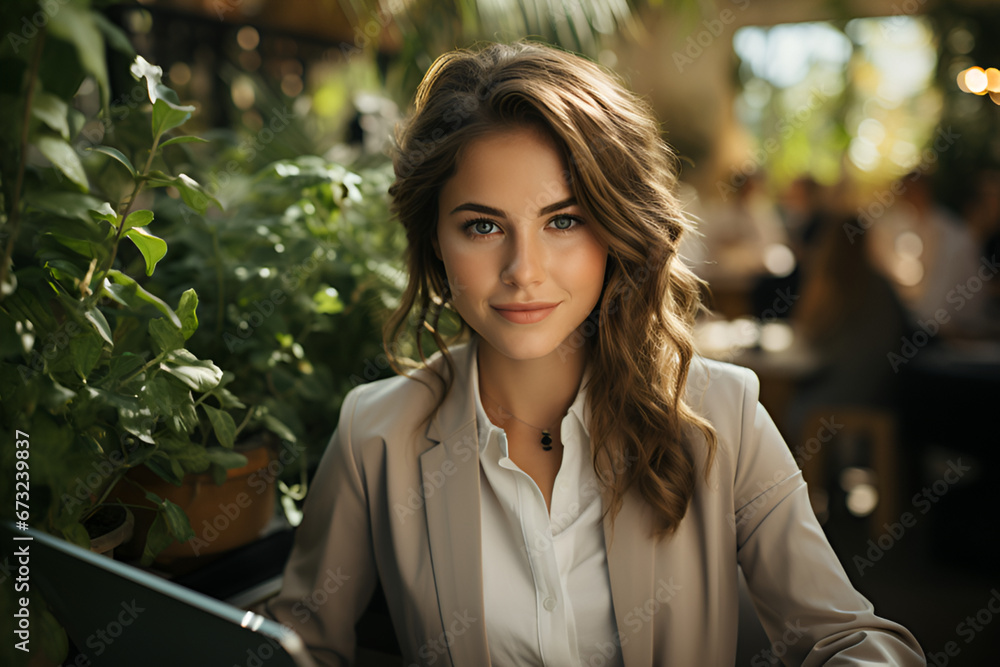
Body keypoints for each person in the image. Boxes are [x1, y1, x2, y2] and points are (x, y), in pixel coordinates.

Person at [264, 41, 924, 666]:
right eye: (483, 225)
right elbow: (297, 646)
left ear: (615, 231)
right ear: (434, 240)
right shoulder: (375, 434)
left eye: (564, 220)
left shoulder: (724, 414)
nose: (524, 270)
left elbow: (849, 636)